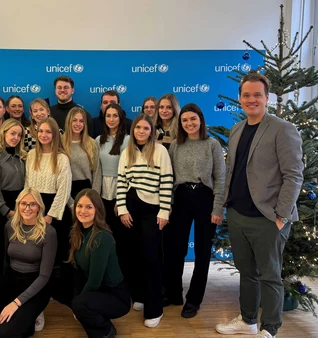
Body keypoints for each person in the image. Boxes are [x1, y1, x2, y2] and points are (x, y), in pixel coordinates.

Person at [215, 73, 303, 338]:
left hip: (268, 218)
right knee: (246, 273)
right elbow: (230, 172)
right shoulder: (237, 129)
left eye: (256, 95)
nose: (251, 100)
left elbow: (293, 175)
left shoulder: (282, 128)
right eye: (246, 95)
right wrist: (223, 208)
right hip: (238, 215)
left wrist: (281, 216)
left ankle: (270, 328)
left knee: (270, 276)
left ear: (267, 98)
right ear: (240, 99)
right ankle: (248, 320)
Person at [0, 188, 57, 337]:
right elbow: (6, 260)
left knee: (9, 332)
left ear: (39, 207)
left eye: (32, 204)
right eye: (23, 203)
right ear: (18, 205)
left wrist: (16, 303)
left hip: (36, 284)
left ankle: (25, 317)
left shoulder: (49, 232)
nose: (27, 208)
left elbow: (44, 276)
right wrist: (5, 296)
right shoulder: (10, 225)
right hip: (12, 279)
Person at [164, 103, 225, 318]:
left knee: (201, 251)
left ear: (201, 119)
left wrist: (218, 207)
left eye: (193, 119)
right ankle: (173, 293)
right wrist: (168, 204)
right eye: (184, 120)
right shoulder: (175, 146)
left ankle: (194, 299)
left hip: (204, 198)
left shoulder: (212, 144)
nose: (189, 123)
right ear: (180, 124)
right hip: (180, 197)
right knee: (175, 249)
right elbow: (169, 179)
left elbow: (220, 178)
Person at [116, 114, 173, 328]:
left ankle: (154, 308)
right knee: (132, 255)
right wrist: (122, 209)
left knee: (151, 258)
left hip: (152, 209)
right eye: (138, 127)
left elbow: (167, 181)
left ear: (152, 131)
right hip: (130, 207)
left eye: (145, 128)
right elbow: (121, 182)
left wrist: (164, 211)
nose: (141, 131)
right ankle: (138, 296)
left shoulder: (161, 151)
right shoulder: (126, 152)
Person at [25, 117, 73, 305]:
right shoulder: (31, 155)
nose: (44, 135)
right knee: (36, 253)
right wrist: (29, 209)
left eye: (48, 132)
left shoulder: (61, 158)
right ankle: (37, 291)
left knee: (57, 253)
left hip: (55, 209)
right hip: (35, 205)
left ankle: (57, 291)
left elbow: (64, 189)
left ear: (54, 135)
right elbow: (27, 184)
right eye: (41, 131)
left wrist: (50, 215)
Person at [69, 189, 130, 338]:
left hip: (116, 296)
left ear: (98, 209)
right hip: (100, 292)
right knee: (74, 299)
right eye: (80, 206)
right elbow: (78, 271)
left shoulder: (101, 237)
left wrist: (77, 306)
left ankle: (106, 330)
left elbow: (95, 281)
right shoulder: (78, 233)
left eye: (89, 207)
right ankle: (99, 326)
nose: (83, 211)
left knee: (79, 304)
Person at [0, 118, 27, 277]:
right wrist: (7, 211)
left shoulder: (22, 157)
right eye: (12, 133)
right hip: (1, 209)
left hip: (19, 207)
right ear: (4, 133)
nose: (15, 137)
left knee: (15, 250)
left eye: (19, 135)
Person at [95, 103, 130, 275]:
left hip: (121, 194)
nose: (111, 119)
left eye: (115, 115)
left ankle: (123, 279)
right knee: (105, 239)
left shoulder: (129, 140)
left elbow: (131, 171)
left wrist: (121, 200)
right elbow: (96, 170)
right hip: (103, 195)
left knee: (122, 241)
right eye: (108, 115)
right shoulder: (98, 140)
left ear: (120, 118)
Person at [63, 107, 101, 199]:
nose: (78, 124)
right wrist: (69, 202)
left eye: (81, 121)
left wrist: (94, 197)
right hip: (65, 192)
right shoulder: (61, 142)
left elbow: (97, 173)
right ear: (69, 122)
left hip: (87, 192)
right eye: (74, 120)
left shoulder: (92, 143)